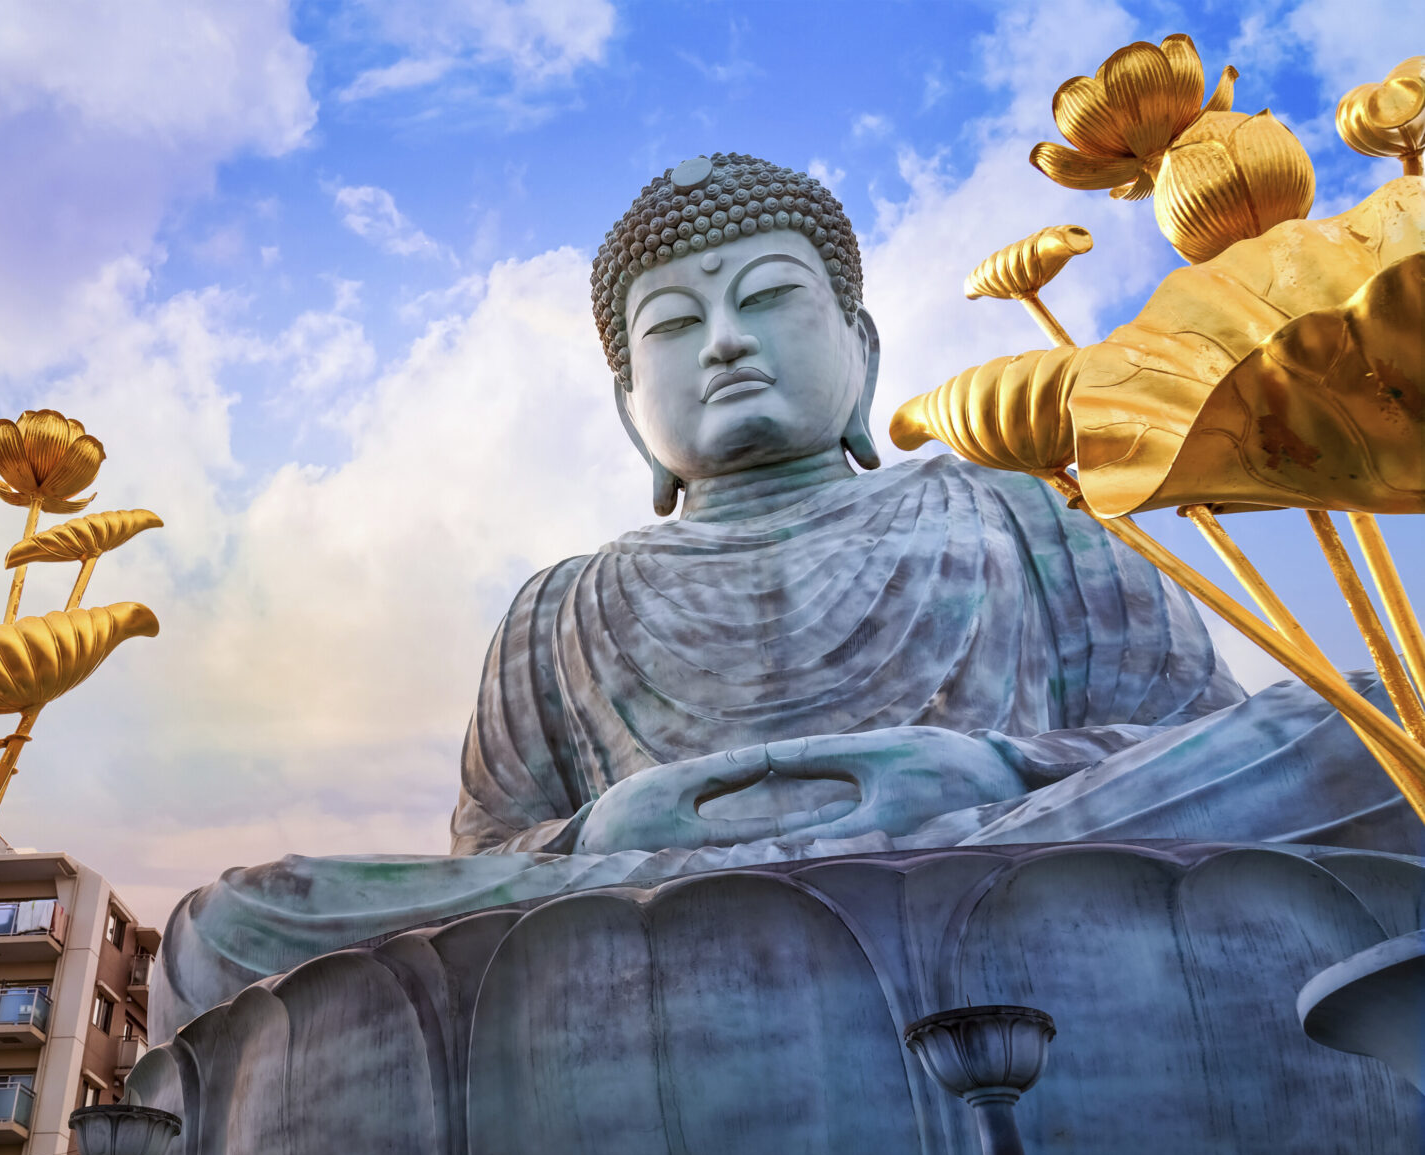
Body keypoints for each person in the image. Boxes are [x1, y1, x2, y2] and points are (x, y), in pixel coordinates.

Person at [151, 153, 1418, 1042]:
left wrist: (987, 773)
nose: (723, 343)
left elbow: (1193, 753)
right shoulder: (558, 609)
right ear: (628, 411)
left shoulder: (1021, 509)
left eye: (767, 300)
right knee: (237, 923)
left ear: (861, 353)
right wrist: (602, 837)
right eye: (671, 325)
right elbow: (497, 863)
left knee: (1362, 735)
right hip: (638, 936)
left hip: (1003, 879)